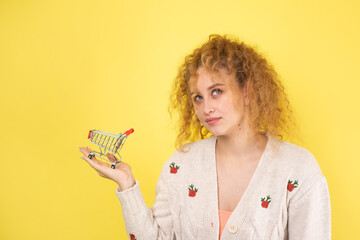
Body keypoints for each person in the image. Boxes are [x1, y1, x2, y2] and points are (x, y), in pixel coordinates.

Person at [79, 34, 331, 240]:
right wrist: (127, 185)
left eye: (217, 91)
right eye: (198, 97)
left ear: (247, 91)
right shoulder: (181, 164)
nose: (206, 107)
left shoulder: (298, 170)